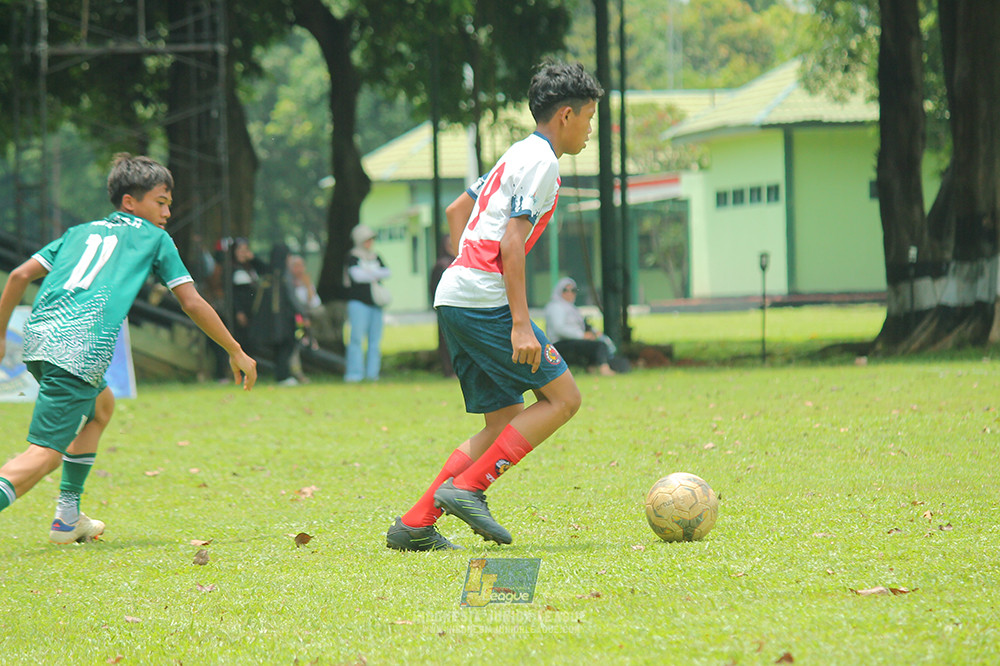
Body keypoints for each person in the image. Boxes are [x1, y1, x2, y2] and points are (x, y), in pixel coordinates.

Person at [386, 61, 604, 551]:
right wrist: (521, 324)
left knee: (503, 420)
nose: (591, 131)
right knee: (564, 398)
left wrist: (463, 265)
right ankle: (468, 488)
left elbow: (456, 212)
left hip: (455, 294)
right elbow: (510, 244)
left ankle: (414, 524)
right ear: (566, 115)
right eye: (589, 118)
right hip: (486, 300)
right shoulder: (544, 162)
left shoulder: (516, 153)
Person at [0, 153, 257, 544]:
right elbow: (191, 302)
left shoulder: (78, 232)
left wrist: (2, 335)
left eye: (169, 203)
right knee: (45, 455)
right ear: (130, 202)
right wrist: (235, 349)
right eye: (161, 201)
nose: (168, 212)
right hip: (80, 350)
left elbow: (19, 275)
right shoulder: (155, 238)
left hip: (38, 340)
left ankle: (68, 519)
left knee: (101, 407)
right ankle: (62, 515)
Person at [343, 224, 390, 382]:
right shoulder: (353, 256)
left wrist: (368, 273)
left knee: (375, 340)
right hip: (358, 303)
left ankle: (372, 373)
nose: (369, 243)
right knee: (356, 338)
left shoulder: (375, 256)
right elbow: (357, 277)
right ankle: (354, 374)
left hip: (375, 304)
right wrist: (373, 273)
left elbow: (387, 272)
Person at [544, 277, 616, 376]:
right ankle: (604, 370)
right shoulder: (555, 307)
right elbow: (559, 328)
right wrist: (582, 335)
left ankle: (593, 369)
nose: (569, 293)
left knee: (598, 343)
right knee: (599, 346)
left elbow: (581, 325)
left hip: (574, 341)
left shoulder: (572, 308)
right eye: (565, 290)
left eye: (573, 290)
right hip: (560, 344)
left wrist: (593, 333)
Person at [252, 243, 301, 386]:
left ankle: (281, 375)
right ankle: (283, 376)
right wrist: (303, 312)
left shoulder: (268, 272)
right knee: (287, 345)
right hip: (284, 319)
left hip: (270, 319)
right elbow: (291, 298)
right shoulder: (284, 274)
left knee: (278, 348)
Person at [287, 253, 322, 383]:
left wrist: (308, 287)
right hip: (294, 320)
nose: (299, 269)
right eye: (296, 266)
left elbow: (314, 303)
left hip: (306, 318)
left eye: (302, 266)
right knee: (294, 346)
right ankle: (297, 372)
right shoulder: (288, 283)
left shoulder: (306, 282)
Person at [429, 234, 456, 378]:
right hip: (445, 308)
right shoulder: (441, 265)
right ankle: (449, 370)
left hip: (460, 308)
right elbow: (434, 288)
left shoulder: (459, 262)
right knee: (446, 340)